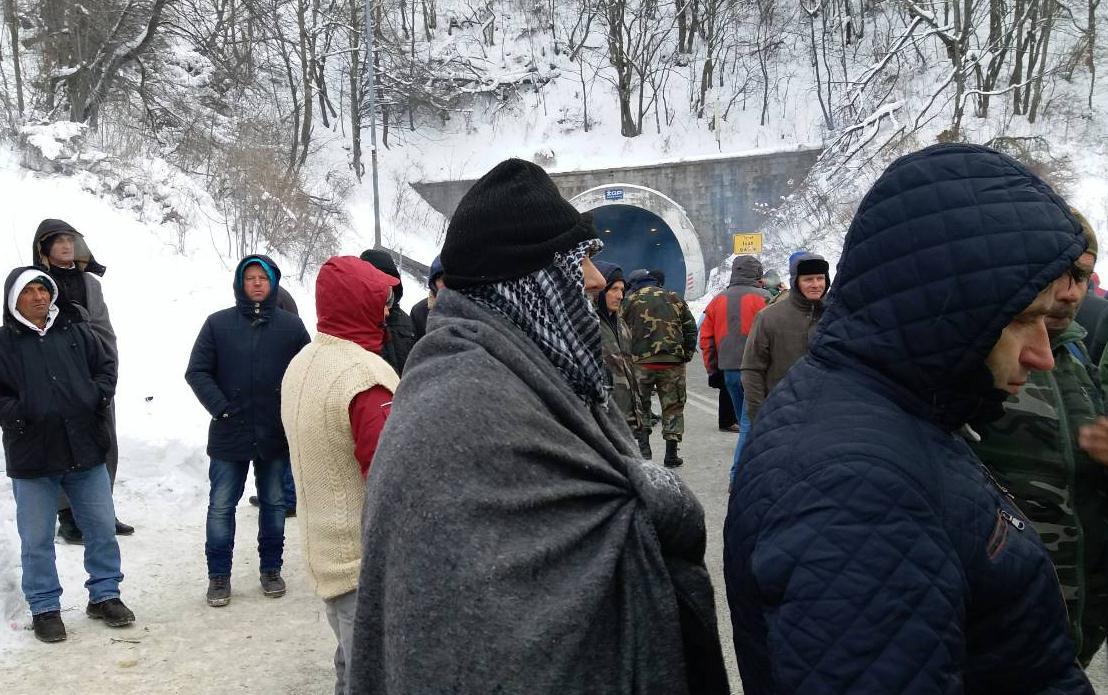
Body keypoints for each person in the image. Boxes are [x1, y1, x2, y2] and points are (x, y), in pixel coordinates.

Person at [723, 143, 1094, 693]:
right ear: (948, 308)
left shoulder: (900, 413)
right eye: (1022, 320)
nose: (1042, 354)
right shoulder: (855, 488)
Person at [348, 158, 728, 695]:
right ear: (523, 287)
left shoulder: (532, 373)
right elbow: (475, 638)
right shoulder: (456, 401)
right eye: (578, 265)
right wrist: (653, 507)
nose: (596, 281)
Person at [970, 210, 1108, 666]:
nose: (1070, 291)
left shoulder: (1077, 356)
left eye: (1082, 276)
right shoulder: (976, 354)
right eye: (1061, 272)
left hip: (1077, 609)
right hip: (1005, 614)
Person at [281, 256, 399, 695]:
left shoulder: (303, 362)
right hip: (363, 562)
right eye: (380, 300)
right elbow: (390, 476)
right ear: (359, 302)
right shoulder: (363, 376)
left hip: (325, 554)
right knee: (378, 677)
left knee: (351, 666)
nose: (387, 309)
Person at [0, 268, 135, 643]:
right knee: (37, 538)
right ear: (14, 300)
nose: (39, 297)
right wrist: (21, 412)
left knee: (102, 527)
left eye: (43, 289)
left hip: (85, 449)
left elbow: (106, 367)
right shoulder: (4, 343)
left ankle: (105, 595)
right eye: (29, 291)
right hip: (33, 458)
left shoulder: (75, 332)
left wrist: (96, 397)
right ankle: (45, 608)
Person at [185, 255, 311, 608]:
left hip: (274, 432)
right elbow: (197, 371)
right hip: (229, 432)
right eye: (250, 277)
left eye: (263, 278)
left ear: (273, 283)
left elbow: (306, 373)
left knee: (273, 503)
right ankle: (219, 576)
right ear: (240, 283)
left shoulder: (291, 327)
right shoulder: (217, 324)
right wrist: (221, 407)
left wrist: (290, 411)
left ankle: (271, 569)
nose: (256, 283)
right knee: (221, 506)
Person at [32, 219, 132, 542]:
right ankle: (68, 517)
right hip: (56, 379)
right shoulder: (37, 286)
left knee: (105, 442)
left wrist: (107, 373)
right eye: (58, 241)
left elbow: (104, 330)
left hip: (94, 374)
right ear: (45, 249)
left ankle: (102, 511)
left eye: (70, 240)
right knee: (62, 445)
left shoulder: (91, 285)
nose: (66, 245)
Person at [738, 252, 829, 471]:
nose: (816, 284)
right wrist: (760, 418)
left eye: (820, 278)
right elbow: (752, 369)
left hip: (826, 416)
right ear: (796, 281)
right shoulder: (769, 317)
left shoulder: (836, 314)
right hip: (782, 417)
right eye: (808, 279)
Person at [623, 268, 698, 467]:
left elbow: (619, 329)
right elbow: (690, 327)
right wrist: (687, 353)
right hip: (672, 362)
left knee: (641, 407)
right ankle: (671, 455)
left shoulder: (629, 301)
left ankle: (644, 452)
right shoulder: (674, 297)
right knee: (673, 407)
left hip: (640, 363)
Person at [699, 255, 769, 468]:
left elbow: (706, 339)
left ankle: (756, 465)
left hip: (729, 371)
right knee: (750, 425)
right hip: (757, 370)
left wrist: (712, 370)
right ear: (757, 273)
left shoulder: (717, 300)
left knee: (745, 420)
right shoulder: (766, 297)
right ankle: (738, 475)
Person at [594, 261, 644, 432]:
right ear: (601, 291)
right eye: (614, 289)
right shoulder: (588, 325)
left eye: (622, 290)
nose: (620, 296)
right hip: (603, 420)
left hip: (628, 419)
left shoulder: (621, 325)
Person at [359, 249, 417, 374]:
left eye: (387, 280)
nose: (382, 287)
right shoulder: (352, 322)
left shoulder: (408, 324)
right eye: (375, 280)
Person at [410, 255, 443, 340]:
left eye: (450, 279)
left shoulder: (470, 309)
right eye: (441, 279)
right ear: (433, 282)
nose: (445, 284)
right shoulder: (419, 311)